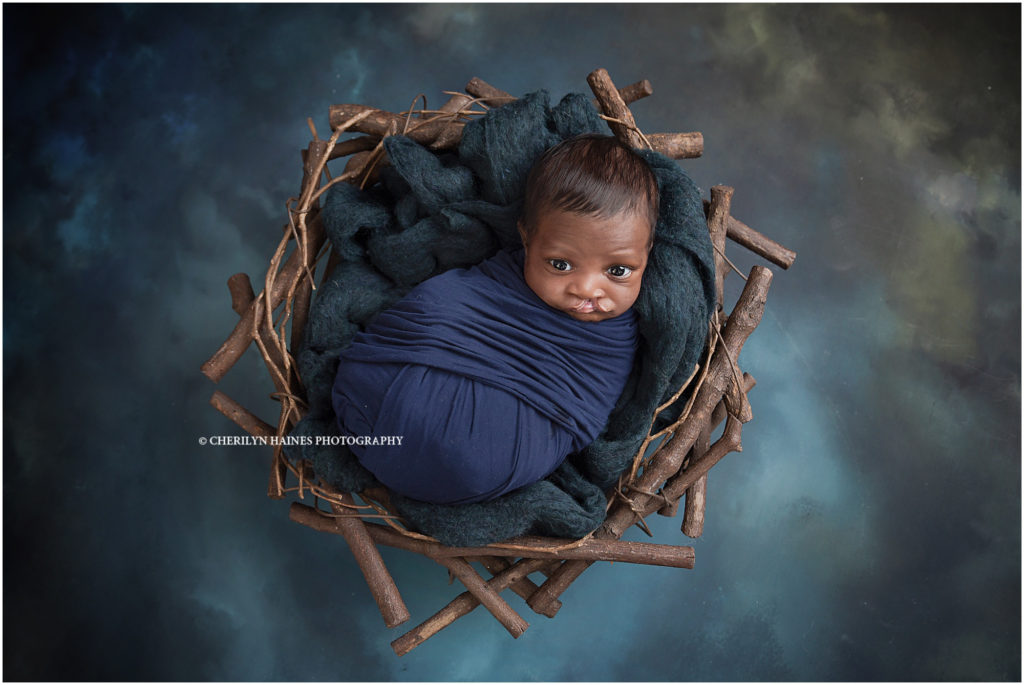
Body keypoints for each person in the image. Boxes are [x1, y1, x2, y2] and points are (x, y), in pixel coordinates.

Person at [331, 133, 660, 505]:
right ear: (526, 239)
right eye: (560, 264)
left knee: (478, 458)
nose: (586, 288)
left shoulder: (614, 339)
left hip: (470, 465)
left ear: (648, 256)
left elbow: (584, 399)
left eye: (617, 270)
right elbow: (443, 308)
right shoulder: (498, 280)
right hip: (378, 398)